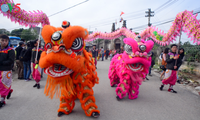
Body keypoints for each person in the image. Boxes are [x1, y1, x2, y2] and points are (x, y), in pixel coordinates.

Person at [0, 34, 15, 108]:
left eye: (6, 41)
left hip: (6, 70)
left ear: (8, 42)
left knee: (3, 85)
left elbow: (11, 60)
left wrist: (1, 62)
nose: (4, 42)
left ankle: (2, 100)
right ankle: (9, 91)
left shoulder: (10, 50)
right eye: (2, 40)